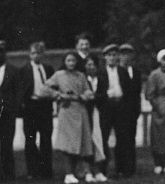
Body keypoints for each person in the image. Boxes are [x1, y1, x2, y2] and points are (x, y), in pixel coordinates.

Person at [42, 52, 95, 184]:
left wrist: (85, 96)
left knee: (82, 143)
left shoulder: (81, 75)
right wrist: (58, 95)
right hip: (66, 111)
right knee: (67, 144)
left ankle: (81, 171)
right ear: (64, 62)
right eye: (68, 60)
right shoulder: (59, 75)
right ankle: (68, 173)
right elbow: (45, 87)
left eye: (73, 61)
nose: (71, 63)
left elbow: (88, 91)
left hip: (80, 110)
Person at [18, 41, 55, 180]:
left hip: (45, 106)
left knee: (46, 139)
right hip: (30, 107)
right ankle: (32, 171)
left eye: (39, 53)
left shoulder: (48, 68)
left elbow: (54, 86)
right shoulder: (24, 70)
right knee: (30, 139)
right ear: (29, 54)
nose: (36, 55)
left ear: (43, 54)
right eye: (33, 53)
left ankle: (46, 171)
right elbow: (21, 90)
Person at [97, 44, 130, 177]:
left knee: (122, 138)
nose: (112, 58)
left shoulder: (122, 71)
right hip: (106, 107)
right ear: (105, 57)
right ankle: (103, 169)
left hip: (120, 107)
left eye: (114, 55)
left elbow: (128, 90)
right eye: (109, 55)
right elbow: (98, 91)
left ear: (118, 57)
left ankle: (121, 169)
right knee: (103, 138)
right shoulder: (100, 72)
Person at [117, 43, 141, 177]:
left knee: (131, 139)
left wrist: (137, 108)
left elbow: (137, 93)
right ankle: (121, 168)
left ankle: (131, 167)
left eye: (129, 54)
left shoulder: (136, 72)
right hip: (120, 111)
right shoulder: (117, 71)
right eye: (123, 54)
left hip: (132, 110)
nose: (126, 57)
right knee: (121, 139)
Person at [84, 55, 108, 182]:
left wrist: (94, 97)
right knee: (88, 142)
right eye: (88, 64)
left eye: (93, 64)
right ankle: (88, 171)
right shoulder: (82, 79)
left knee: (100, 141)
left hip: (99, 113)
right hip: (86, 114)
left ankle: (99, 171)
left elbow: (104, 95)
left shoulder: (102, 79)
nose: (91, 67)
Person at [0, 42, 19, 181]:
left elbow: (17, 93)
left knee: (7, 144)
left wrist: (11, 108)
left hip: (7, 114)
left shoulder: (13, 70)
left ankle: (9, 175)